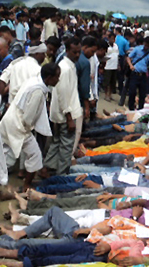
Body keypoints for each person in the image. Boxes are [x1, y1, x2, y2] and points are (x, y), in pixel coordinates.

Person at [0, 63, 59, 190]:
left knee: (4, 151)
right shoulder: (38, 92)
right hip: (19, 125)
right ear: (49, 78)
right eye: (57, 77)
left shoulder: (34, 81)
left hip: (10, 119)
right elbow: (28, 118)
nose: (58, 80)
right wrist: (29, 128)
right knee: (35, 155)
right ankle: (27, 185)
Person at [43, 37, 82, 176]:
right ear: (67, 51)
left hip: (61, 113)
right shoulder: (65, 69)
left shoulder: (68, 66)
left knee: (57, 142)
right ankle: (61, 175)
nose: (77, 55)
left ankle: (47, 168)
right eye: (74, 52)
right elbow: (63, 94)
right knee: (66, 146)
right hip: (66, 115)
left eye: (79, 52)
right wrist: (69, 117)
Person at [126, 36, 149, 111]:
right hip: (135, 74)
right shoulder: (137, 49)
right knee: (132, 92)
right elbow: (128, 58)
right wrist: (131, 65)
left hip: (143, 75)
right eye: (145, 44)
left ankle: (140, 109)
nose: (146, 47)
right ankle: (131, 108)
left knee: (142, 94)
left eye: (148, 45)